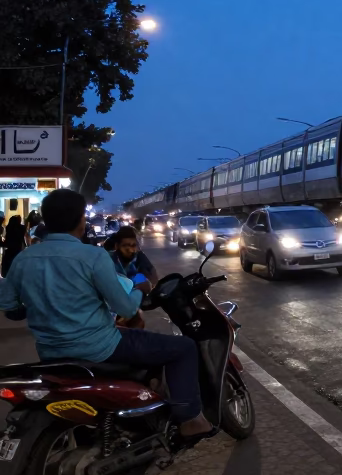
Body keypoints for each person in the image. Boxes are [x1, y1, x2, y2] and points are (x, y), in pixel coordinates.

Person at [0, 189, 214, 442]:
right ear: (81, 220)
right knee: (184, 347)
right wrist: (138, 289)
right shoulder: (93, 256)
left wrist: (38, 306)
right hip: (100, 347)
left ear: (46, 221)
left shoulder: (24, 258)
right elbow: (124, 308)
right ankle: (190, 418)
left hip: (50, 352)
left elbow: (10, 309)